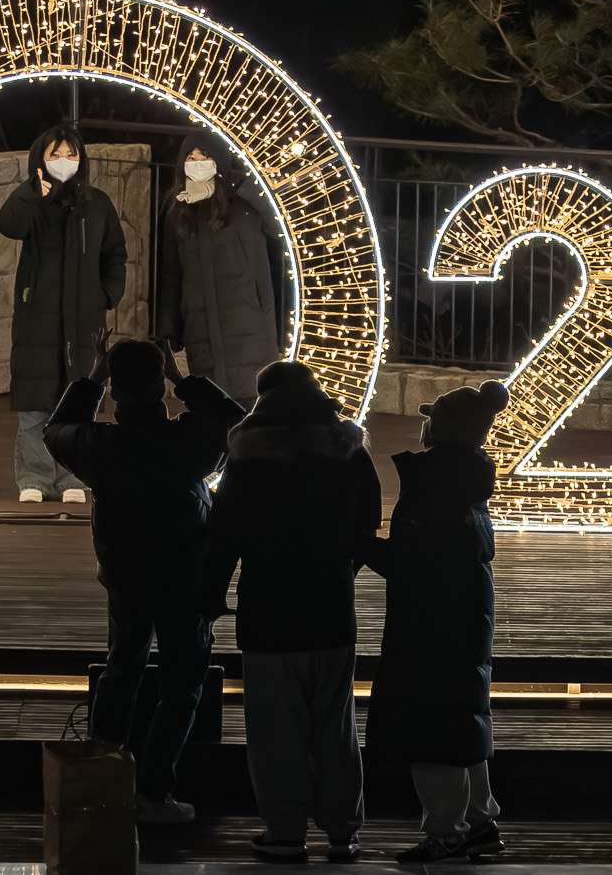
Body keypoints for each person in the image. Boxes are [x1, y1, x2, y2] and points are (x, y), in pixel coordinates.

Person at [45, 337, 242, 824]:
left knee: (122, 668)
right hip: (187, 576)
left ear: (115, 391)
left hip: (126, 573)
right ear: (159, 387)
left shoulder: (103, 448)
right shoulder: (189, 440)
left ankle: (103, 781)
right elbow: (238, 422)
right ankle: (155, 790)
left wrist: (92, 378)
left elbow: (55, 431)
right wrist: (186, 380)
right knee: (182, 684)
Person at [202, 359, 382, 862]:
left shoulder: (249, 456)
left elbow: (224, 536)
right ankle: (344, 832)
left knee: (275, 727)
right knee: (335, 725)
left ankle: (285, 831)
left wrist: (210, 597)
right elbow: (367, 521)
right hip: (331, 609)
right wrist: (346, 568)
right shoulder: (347, 450)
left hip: (268, 612)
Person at [368, 381, 512, 864]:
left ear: (440, 428)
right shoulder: (469, 480)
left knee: (430, 724)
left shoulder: (433, 484)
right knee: (463, 718)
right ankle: (479, 821)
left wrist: (354, 540)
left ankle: (445, 830)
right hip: (467, 613)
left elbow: (407, 561)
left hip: (431, 618)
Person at [0, 123, 128, 503]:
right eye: (56, 154)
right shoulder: (32, 201)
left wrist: (107, 294)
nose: (65, 161)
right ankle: (34, 477)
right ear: (41, 159)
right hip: (38, 318)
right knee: (35, 404)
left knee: (77, 402)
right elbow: (6, 225)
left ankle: (73, 478)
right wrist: (31, 193)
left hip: (85, 319)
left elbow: (115, 253)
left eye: (72, 154)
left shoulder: (97, 203)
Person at [156, 132, 285, 400]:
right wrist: (167, 329)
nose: (197, 163)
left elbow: (281, 229)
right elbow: (171, 274)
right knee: (211, 417)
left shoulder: (244, 203)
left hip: (250, 328)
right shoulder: (177, 208)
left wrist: (244, 184)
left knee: (251, 413)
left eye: (205, 157)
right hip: (200, 331)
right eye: (191, 157)